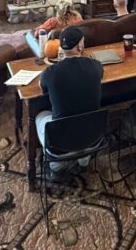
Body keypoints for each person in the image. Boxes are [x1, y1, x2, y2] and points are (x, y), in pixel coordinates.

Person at [37, 25, 103, 173]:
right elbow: (100, 75)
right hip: (93, 138)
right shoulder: (95, 66)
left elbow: (42, 87)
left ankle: (56, 166)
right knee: (85, 115)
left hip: (60, 143)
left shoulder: (51, 72)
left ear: (61, 47)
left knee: (40, 115)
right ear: (80, 46)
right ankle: (84, 161)